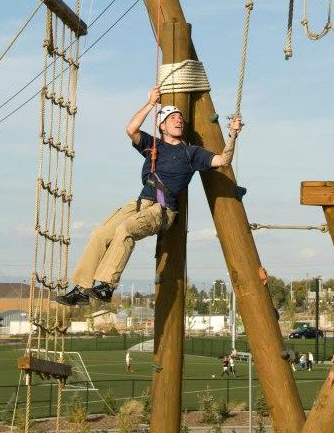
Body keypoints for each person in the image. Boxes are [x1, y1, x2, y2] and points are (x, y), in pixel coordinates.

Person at [57, 87, 243, 306]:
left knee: (125, 230)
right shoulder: (152, 144)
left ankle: (107, 286)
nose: (178, 121)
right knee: (100, 234)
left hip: (162, 209)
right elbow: (131, 128)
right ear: (162, 125)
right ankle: (81, 288)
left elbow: (223, 160)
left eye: (180, 118)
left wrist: (232, 134)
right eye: (172, 117)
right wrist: (150, 104)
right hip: (140, 203)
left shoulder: (191, 153)